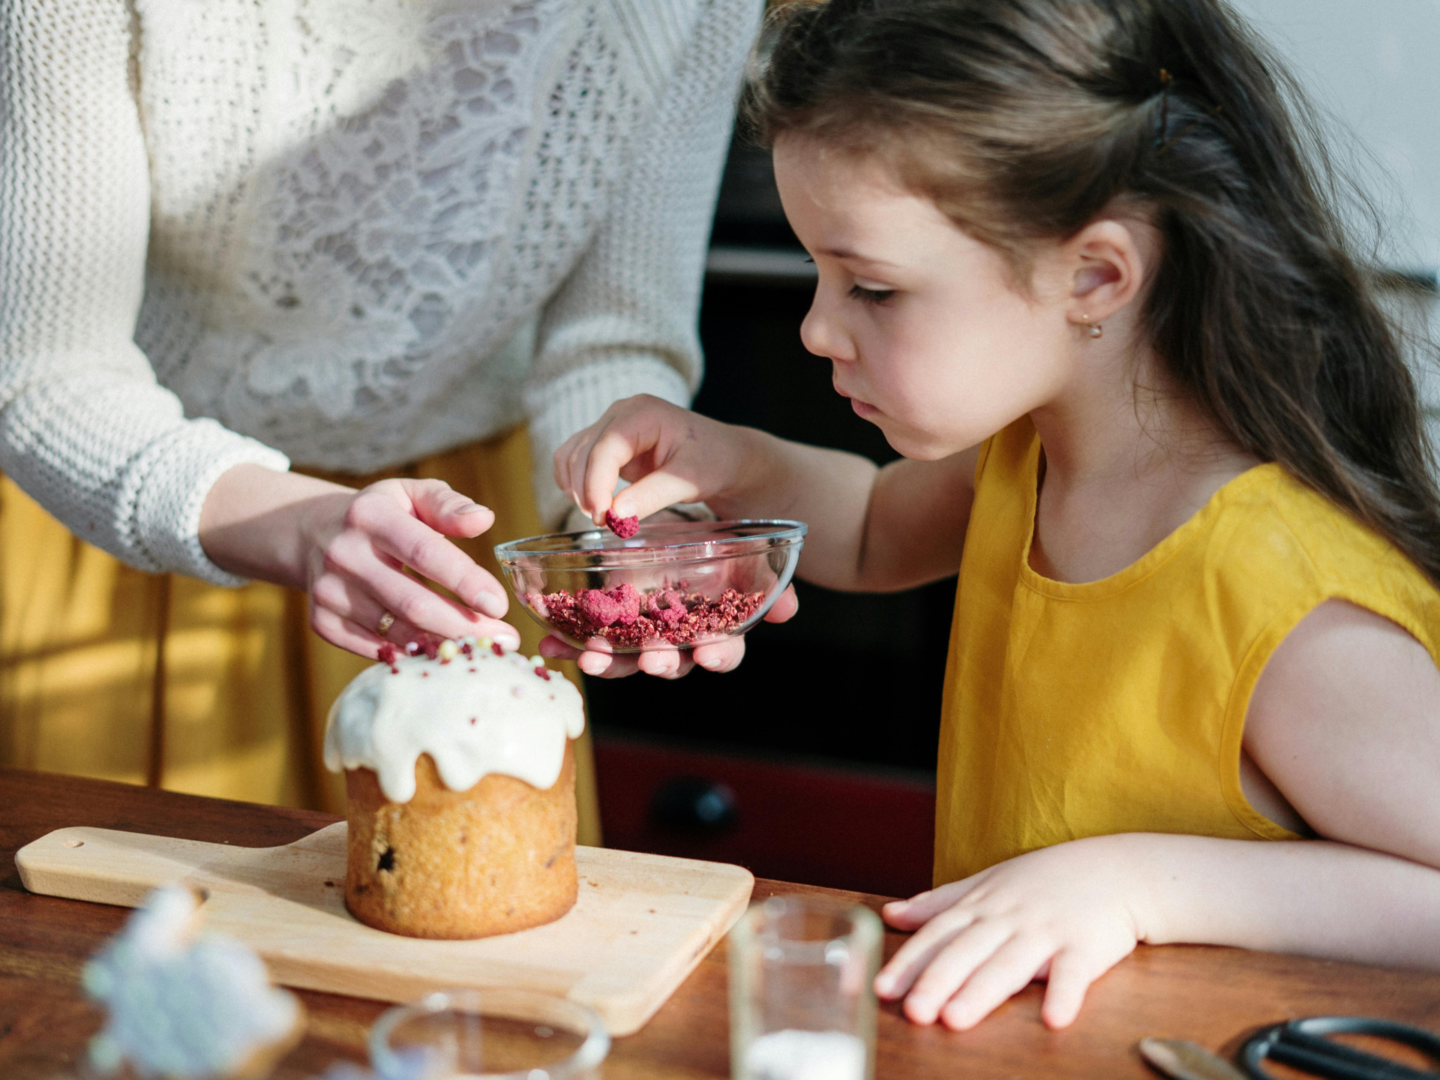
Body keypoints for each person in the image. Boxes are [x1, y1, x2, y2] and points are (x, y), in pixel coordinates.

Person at [547, 0, 1440, 1030]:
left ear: (1094, 274)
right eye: (819, 275)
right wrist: (724, 460)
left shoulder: (1284, 594)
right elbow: (873, 529)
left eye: (871, 287)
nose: (816, 328)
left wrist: (1138, 888)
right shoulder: (1022, 462)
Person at [0, 0, 761, 825]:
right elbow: (43, 371)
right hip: (153, 515)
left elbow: (612, 337)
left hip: (461, 557)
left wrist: (629, 524)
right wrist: (298, 523)